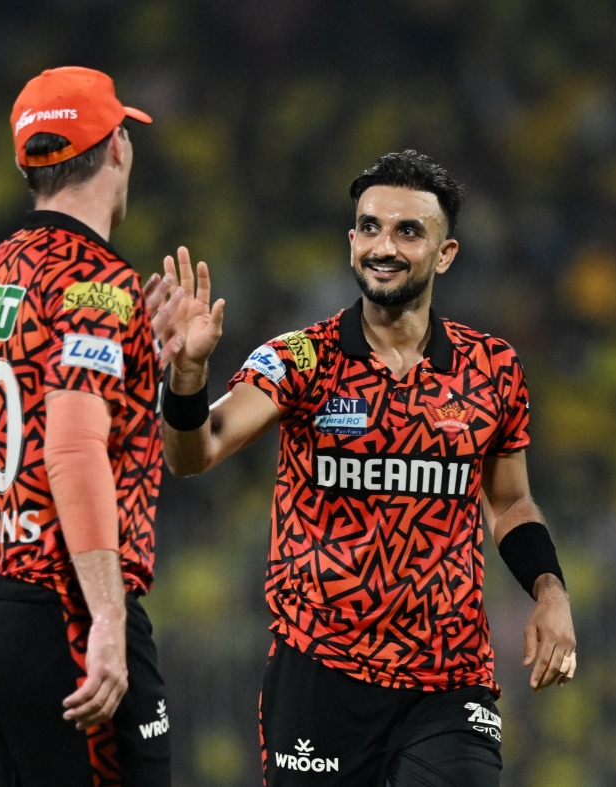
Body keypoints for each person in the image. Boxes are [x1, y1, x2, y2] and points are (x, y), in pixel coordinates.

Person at [157, 151, 577, 786]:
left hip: (448, 678)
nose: (385, 245)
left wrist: (550, 591)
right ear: (352, 241)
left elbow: (511, 503)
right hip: (320, 674)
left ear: (446, 254)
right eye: (371, 227)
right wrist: (186, 379)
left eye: (408, 231)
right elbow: (196, 451)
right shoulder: (301, 358)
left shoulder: (492, 369)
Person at [0, 66, 186, 787]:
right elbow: (72, 449)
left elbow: (10, 410)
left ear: (27, 164)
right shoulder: (96, 283)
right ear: (116, 149)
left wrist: (139, 355)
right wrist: (107, 615)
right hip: (65, 608)